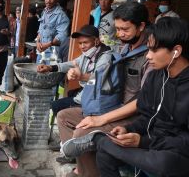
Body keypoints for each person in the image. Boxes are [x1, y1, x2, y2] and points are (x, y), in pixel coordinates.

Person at [63, 17, 189, 177]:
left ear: (176, 51)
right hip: (152, 142)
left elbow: (185, 142)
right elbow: (147, 117)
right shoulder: (156, 77)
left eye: (154, 50)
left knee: (163, 163)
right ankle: (103, 142)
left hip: (174, 152)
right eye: (148, 49)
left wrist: (143, 142)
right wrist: (128, 130)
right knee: (105, 153)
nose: (148, 56)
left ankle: (100, 140)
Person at [57, 1, 151, 176]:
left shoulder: (150, 57)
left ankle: (87, 172)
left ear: (141, 26)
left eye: (125, 29)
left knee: (81, 132)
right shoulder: (123, 49)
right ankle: (84, 167)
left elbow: (142, 102)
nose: (120, 34)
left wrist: (100, 119)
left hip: (132, 116)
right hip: (111, 106)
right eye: (117, 29)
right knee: (64, 116)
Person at [37, 25, 112, 115]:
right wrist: (50, 68)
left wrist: (81, 76)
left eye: (85, 43)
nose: (82, 46)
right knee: (70, 93)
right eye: (80, 43)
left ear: (96, 41)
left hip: (97, 98)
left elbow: (98, 78)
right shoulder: (89, 53)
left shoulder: (105, 57)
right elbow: (73, 63)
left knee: (56, 105)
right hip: (88, 92)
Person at [36, 0, 69, 64]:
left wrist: (47, 45)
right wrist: (37, 41)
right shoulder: (44, 12)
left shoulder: (61, 15)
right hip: (41, 52)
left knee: (50, 75)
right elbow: (40, 30)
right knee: (38, 74)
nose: (48, 1)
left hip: (53, 54)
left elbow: (62, 36)